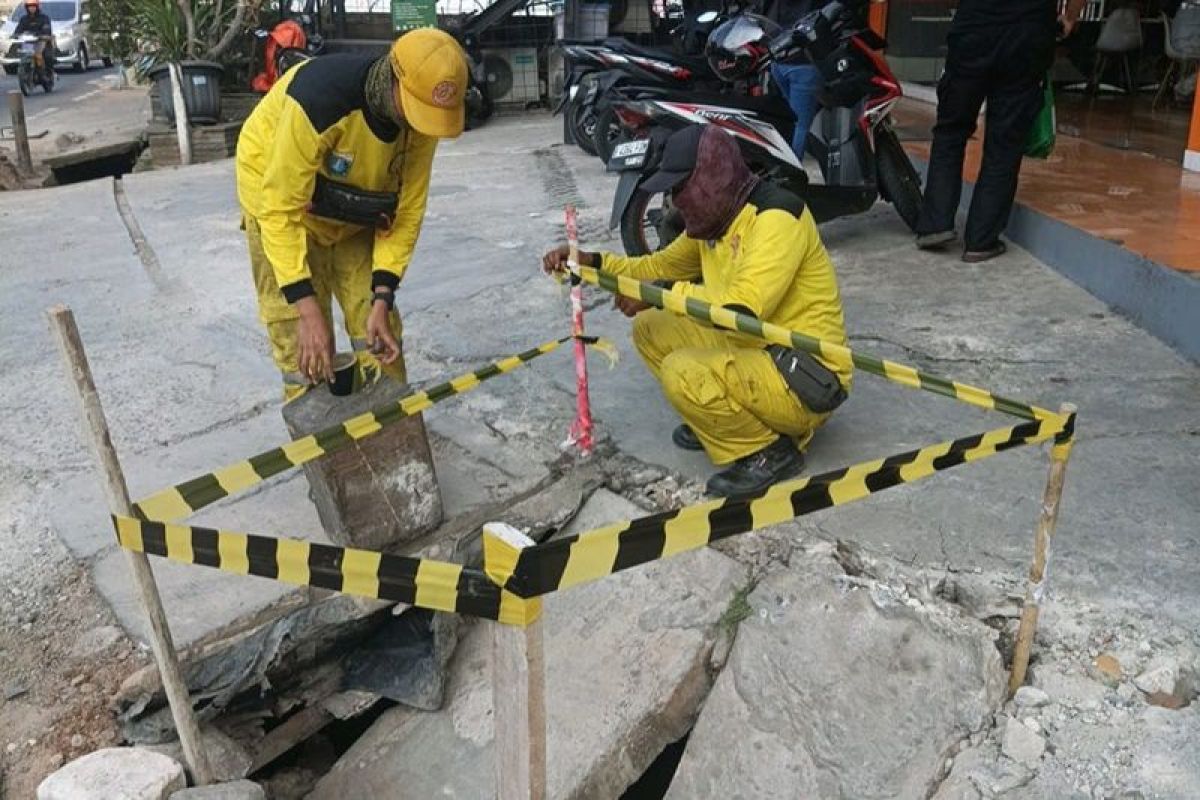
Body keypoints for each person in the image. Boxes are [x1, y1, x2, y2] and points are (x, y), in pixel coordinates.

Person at [542, 124, 851, 497]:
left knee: (681, 370)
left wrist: (660, 294)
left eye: (678, 189)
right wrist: (587, 261)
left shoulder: (777, 218)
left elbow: (741, 314)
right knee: (650, 328)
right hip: (757, 350)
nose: (674, 202)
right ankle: (721, 420)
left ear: (712, 176)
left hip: (804, 375)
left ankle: (770, 451)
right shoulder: (717, 222)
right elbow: (654, 268)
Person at [236, 28, 467, 400]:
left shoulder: (421, 117)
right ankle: (320, 448)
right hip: (278, 197)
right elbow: (279, 209)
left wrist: (383, 296)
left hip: (350, 207)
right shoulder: (319, 99)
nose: (422, 128)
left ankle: (393, 436)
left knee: (378, 325)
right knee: (304, 341)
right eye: (418, 113)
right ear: (395, 80)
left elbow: (406, 212)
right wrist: (307, 309)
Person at [915, 0, 1085, 262]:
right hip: (1026, 36)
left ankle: (935, 224)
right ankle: (981, 241)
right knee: (1004, 145)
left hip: (973, 30)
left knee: (951, 131)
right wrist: (1069, 17)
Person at [759, 0, 823, 161]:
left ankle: (782, 164)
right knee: (801, 125)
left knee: (791, 119)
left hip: (779, 59)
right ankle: (793, 171)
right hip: (803, 63)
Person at [14, 0, 55, 77]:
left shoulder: (44, 18)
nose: (31, 8)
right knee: (23, 54)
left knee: (47, 56)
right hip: (28, 42)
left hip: (42, 41)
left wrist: (43, 34)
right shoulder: (24, 19)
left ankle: (49, 73)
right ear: (26, 8)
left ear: (37, 7)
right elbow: (18, 29)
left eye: (33, 6)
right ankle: (27, 71)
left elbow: (47, 29)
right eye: (29, 6)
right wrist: (15, 35)